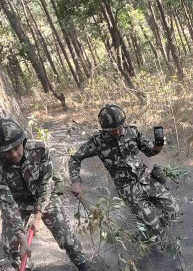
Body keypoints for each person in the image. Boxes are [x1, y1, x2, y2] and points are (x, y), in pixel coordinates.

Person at [0, 119, 98, 271]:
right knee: (11, 245)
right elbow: (6, 204)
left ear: (22, 141)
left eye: (16, 148)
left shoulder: (39, 149)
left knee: (66, 238)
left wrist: (38, 216)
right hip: (18, 204)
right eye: (7, 151)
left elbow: (47, 183)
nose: (13, 154)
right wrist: (22, 238)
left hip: (45, 196)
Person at [68, 104, 179, 244]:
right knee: (155, 228)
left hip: (147, 180)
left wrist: (158, 146)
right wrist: (76, 181)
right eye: (113, 130)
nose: (118, 131)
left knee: (173, 210)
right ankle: (163, 247)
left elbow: (149, 151)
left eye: (120, 127)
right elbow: (74, 159)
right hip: (129, 191)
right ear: (105, 129)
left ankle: (149, 237)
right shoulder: (96, 142)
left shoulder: (132, 131)